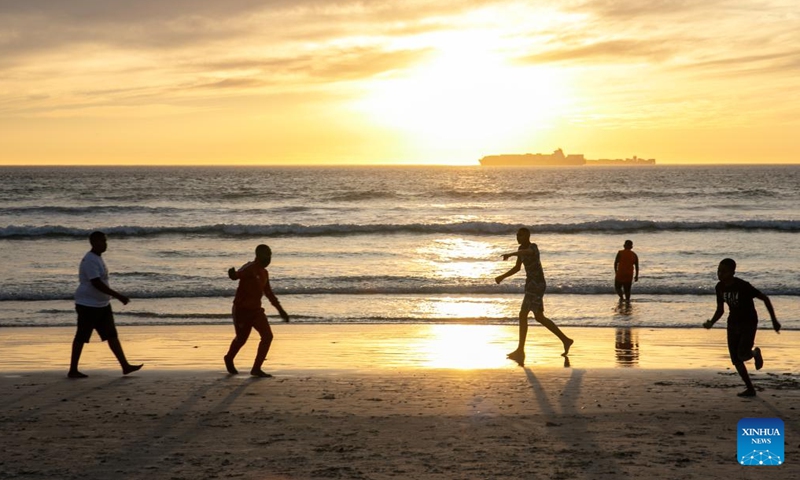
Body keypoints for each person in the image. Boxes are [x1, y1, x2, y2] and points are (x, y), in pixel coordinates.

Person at [68, 231, 143, 378]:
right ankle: (73, 369)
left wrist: (110, 297)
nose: (105, 244)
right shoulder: (90, 260)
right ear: (93, 243)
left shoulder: (98, 258)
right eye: (102, 241)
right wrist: (118, 295)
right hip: (87, 305)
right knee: (81, 336)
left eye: (105, 241)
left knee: (111, 335)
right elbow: (96, 283)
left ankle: (125, 366)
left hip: (102, 304)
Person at [703, 258, 781, 397]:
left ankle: (755, 353)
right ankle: (750, 388)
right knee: (735, 359)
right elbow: (720, 309)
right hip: (732, 322)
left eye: (724, 271)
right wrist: (712, 322)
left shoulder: (743, 286)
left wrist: (774, 320)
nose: (720, 274)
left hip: (748, 322)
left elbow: (764, 298)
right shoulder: (719, 287)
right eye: (718, 270)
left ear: (732, 272)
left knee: (743, 354)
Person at [495, 227, 573, 364]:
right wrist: (502, 276)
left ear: (528, 236)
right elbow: (517, 268)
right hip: (531, 285)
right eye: (517, 235)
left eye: (521, 235)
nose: (518, 237)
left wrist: (512, 253)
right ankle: (565, 340)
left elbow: (528, 252)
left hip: (537, 285)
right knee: (539, 317)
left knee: (523, 314)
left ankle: (520, 350)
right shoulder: (520, 249)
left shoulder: (533, 247)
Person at [224, 244, 289, 377]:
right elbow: (237, 275)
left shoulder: (265, 273)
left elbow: (269, 293)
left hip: (256, 311)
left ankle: (256, 368)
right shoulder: (249, 268)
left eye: (270, 256)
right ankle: (229, 358)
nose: (269, 259)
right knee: (242, 339)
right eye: (266, 256)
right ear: (258, 255)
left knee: (268, 336)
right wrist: (232, 274)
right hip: (241, 310)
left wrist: (281, 310)